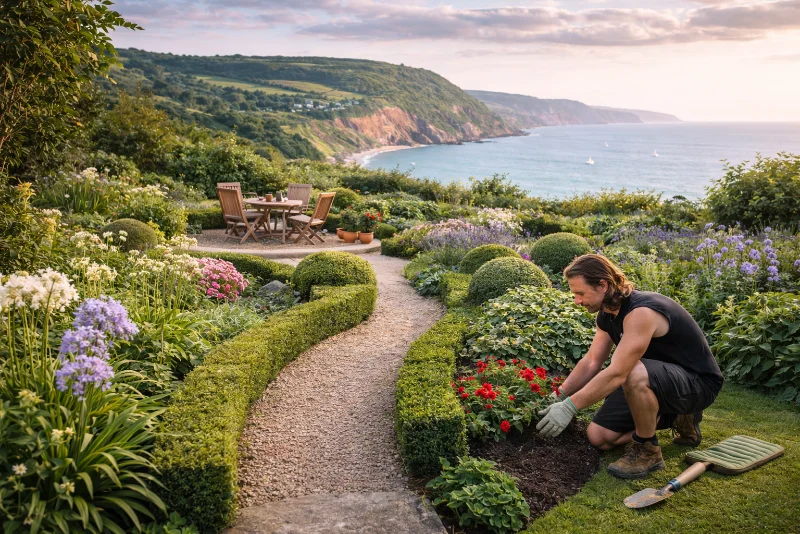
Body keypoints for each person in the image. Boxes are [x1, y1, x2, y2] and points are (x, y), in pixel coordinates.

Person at [535, 254, 723, 479]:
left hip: (696, 383)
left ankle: (648, 449)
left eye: (580, 293)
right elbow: (592, 361)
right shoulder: (606, 316)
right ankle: (675, 417)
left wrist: (569, 408)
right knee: (599, 437)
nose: (576, 300)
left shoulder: (641, 312)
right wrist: (559, 396)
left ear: (603, 285)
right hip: (653, 380)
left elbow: (617, 373)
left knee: (631, 372)